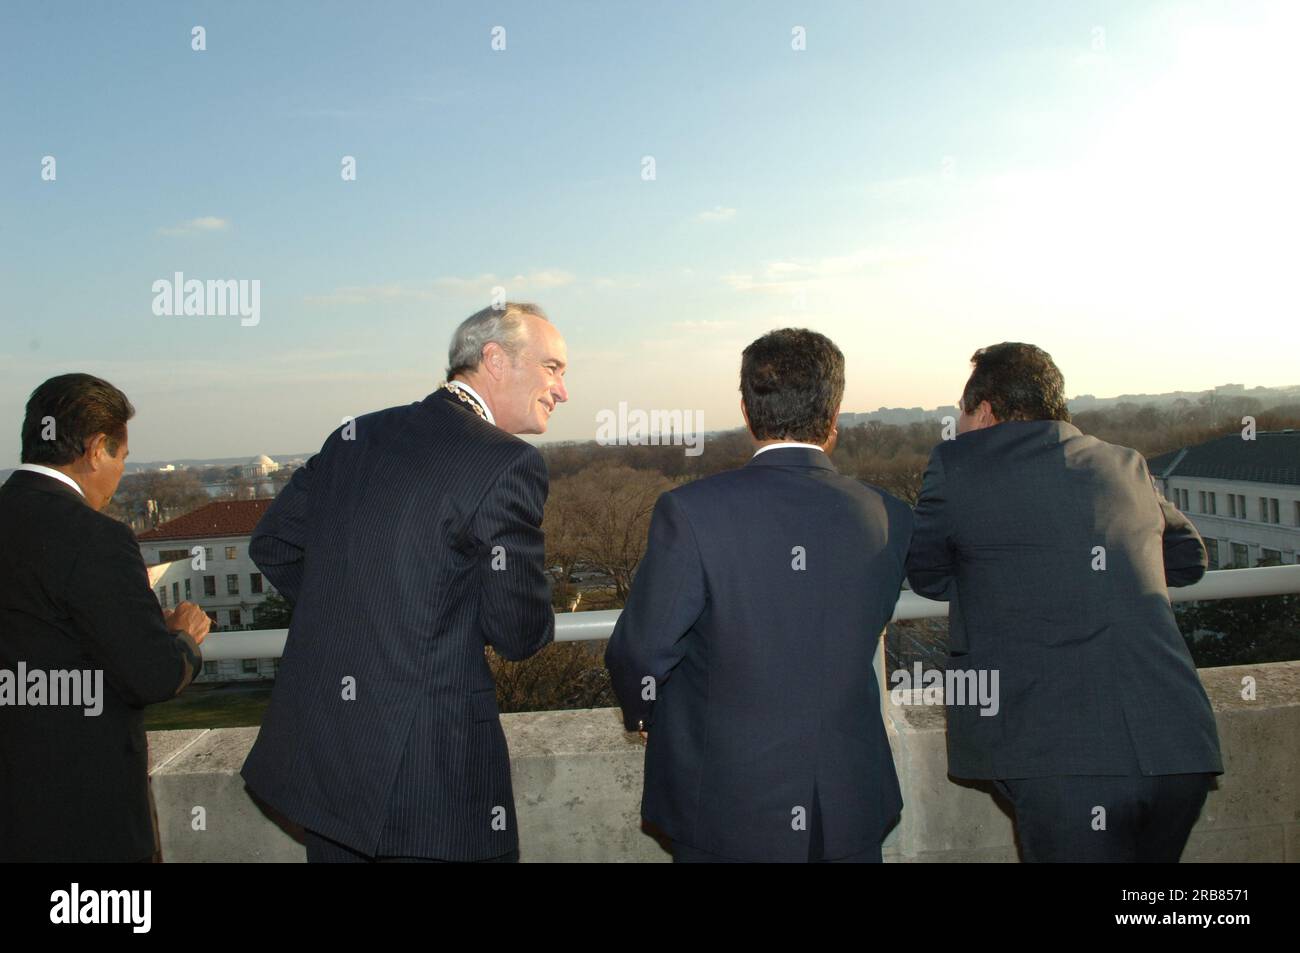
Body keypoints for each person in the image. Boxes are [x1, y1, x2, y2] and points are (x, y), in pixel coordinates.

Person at [241, 303, 567, 862]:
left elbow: (274, 543)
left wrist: (366, 614)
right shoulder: (506, 463)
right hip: (431, 786)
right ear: (494, 359)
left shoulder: (356, 434)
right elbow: (519, 632)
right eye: (553, 368)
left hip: (329, 771)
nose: (562, 391)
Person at [906, 342, 1221, 862]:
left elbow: (927, 574)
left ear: (984, 410)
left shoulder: (957, 465)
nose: (958, 426)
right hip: (1177, 746)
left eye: (960, 413)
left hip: (1061, 758)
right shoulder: (1124, 463)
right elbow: (1188, 560)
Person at [605, 328, 912, 862]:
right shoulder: (888, 514)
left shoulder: (692, 511)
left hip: (727, 802)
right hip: (848, 798)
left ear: (747, 411)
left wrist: (648, 714)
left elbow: (640, 651)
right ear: (835, 413)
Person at [0, 373, 208, 862]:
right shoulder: (96, 538)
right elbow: (151, 676)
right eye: (122, 457)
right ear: (97, 449)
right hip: (79, 813)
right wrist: (184, 640)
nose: (119, 475)